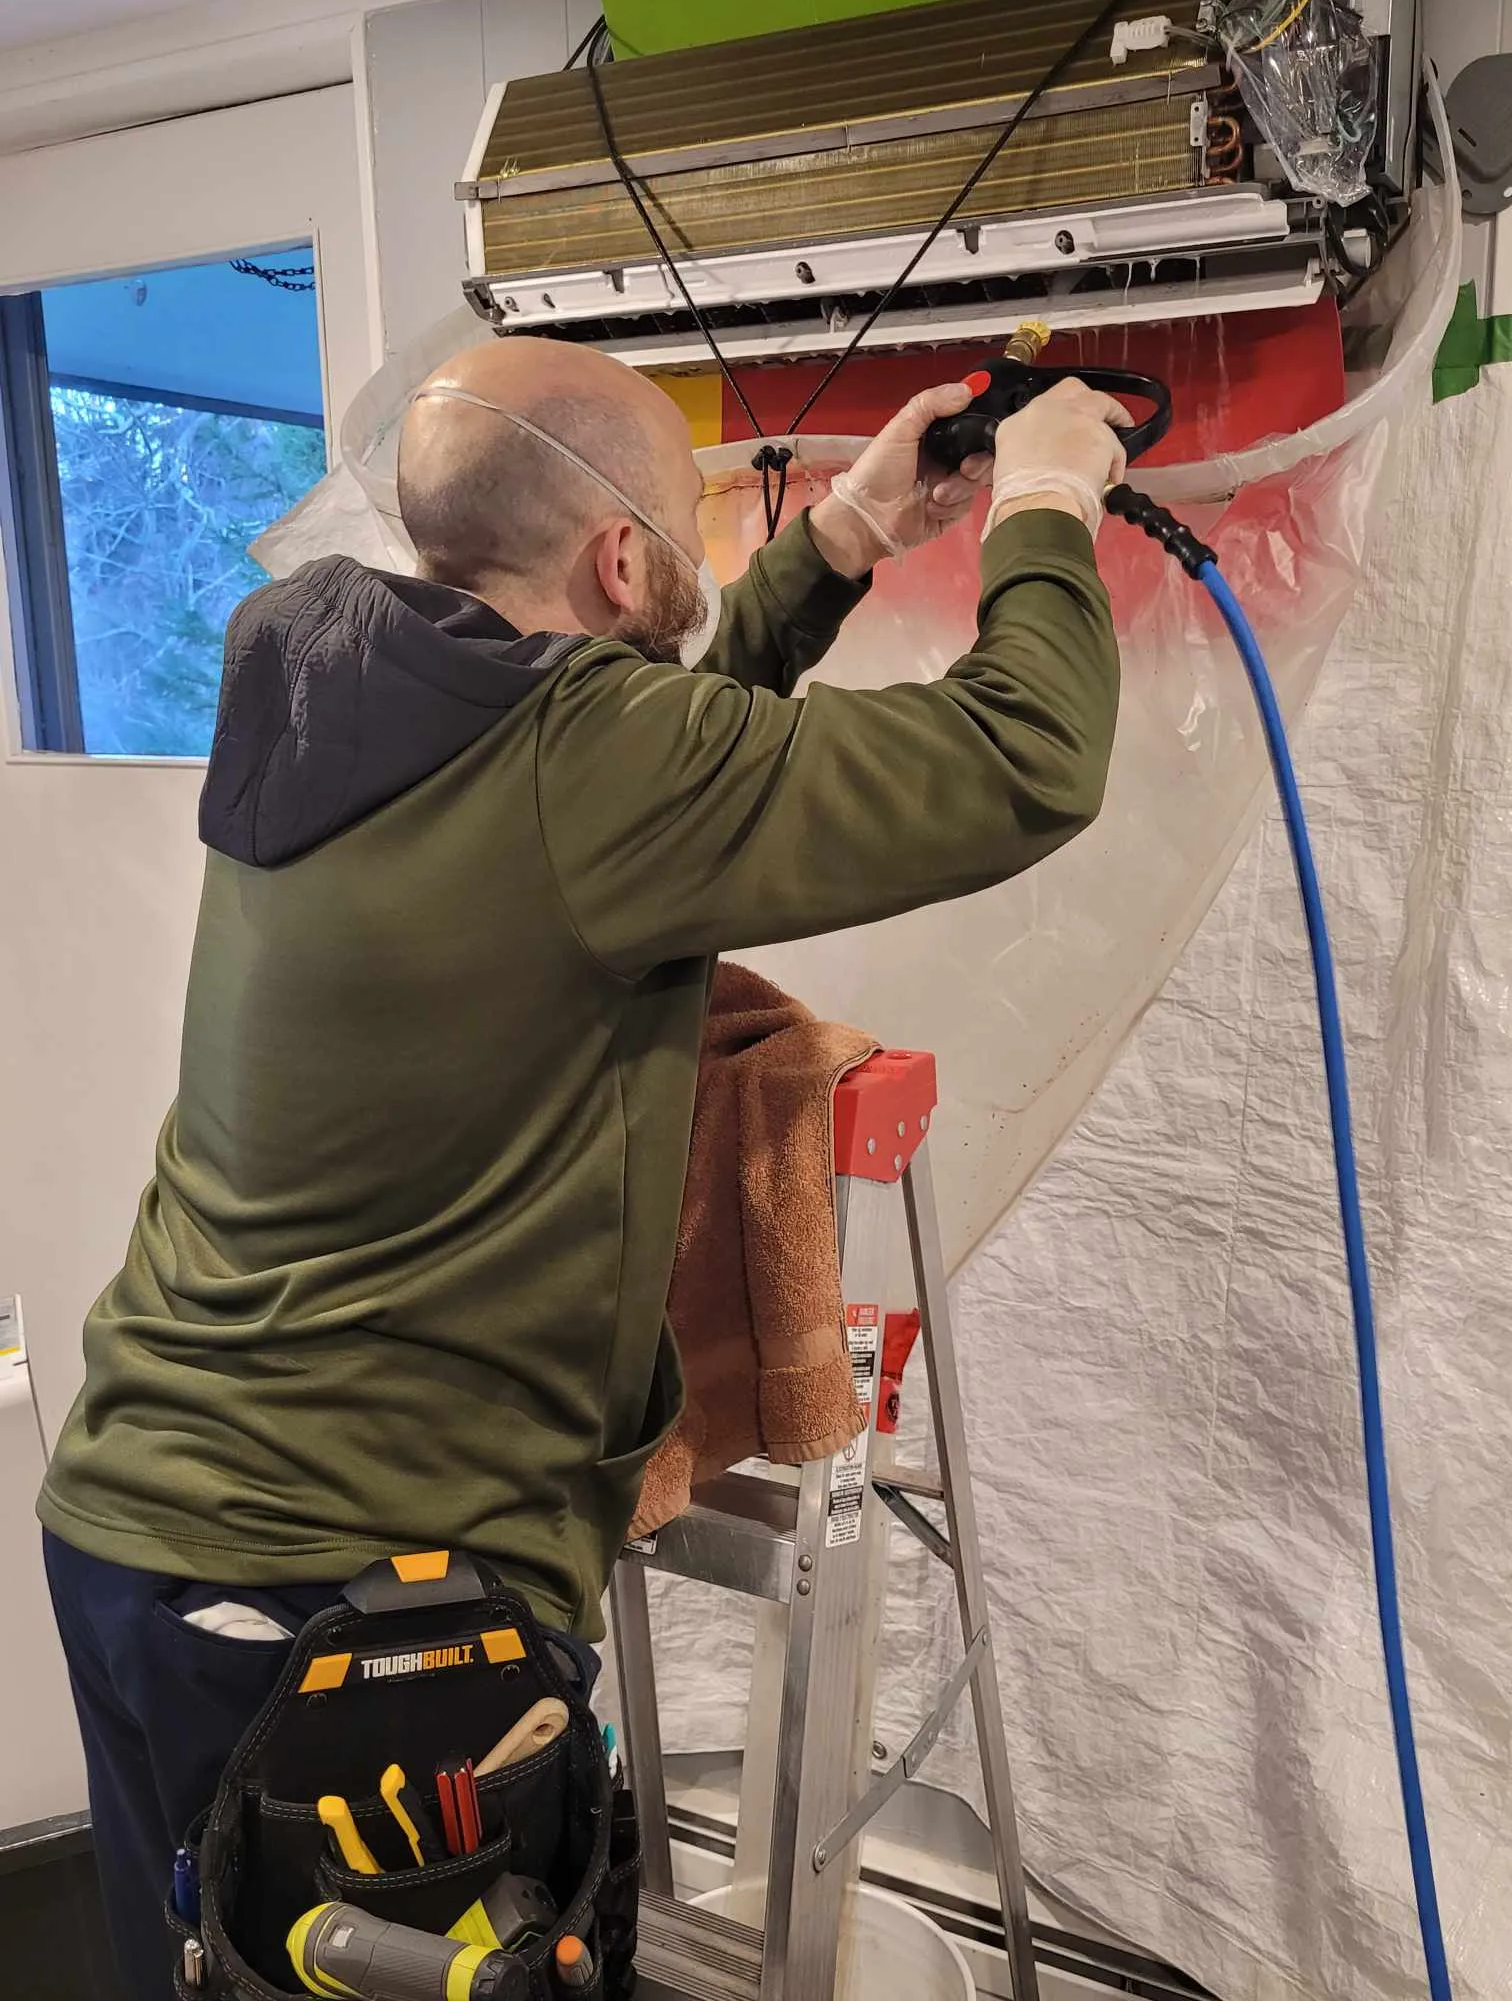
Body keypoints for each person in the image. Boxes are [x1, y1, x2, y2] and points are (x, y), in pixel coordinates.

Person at [37, 334, 1129, 2000]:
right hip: (340, 1587)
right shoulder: (586, 760)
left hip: (143, 1530)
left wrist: (840, 540)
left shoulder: (323, 673)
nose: (699, 559)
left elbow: (628, 759)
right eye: (687, 529)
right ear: (622, 561)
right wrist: (1047, 500)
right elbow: (1026, 756)